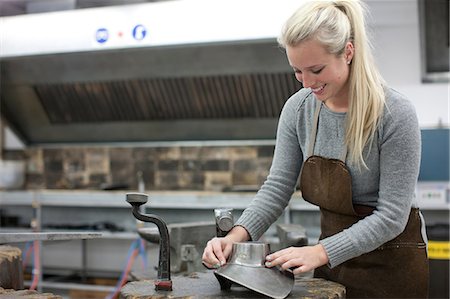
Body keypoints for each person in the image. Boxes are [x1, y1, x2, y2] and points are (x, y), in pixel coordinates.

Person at [202, 0, 429, 298]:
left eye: (316, 69)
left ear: (348, 52)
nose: (307, 83)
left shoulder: (394, 113)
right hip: (332, 262)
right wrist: (236, 236)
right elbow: (277, 188)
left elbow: (391, 216)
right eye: (297, 71)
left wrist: (321, 251)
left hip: (394, 264)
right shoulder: (298, 110)